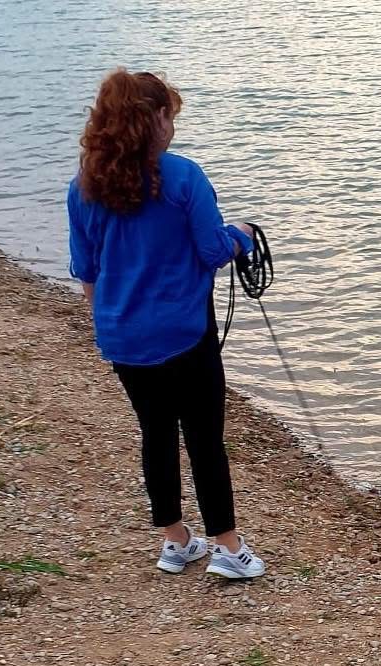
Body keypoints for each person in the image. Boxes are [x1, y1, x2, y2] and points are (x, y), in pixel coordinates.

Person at [67, 68, 265, 579]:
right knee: (204, 437)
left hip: (123, 337)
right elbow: (213, 251)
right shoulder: (183, 177)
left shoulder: (83, 187)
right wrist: (243, 234)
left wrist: (109, 322)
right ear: (156, 118)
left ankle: (175, 542)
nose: (172, 125)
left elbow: (87, 272)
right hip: (184, 333)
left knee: (155, 432)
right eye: (170, 115)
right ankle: (228, 548)